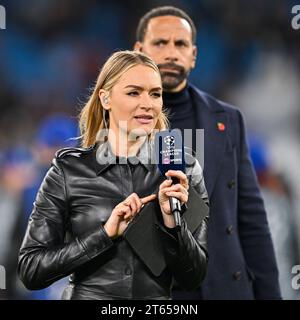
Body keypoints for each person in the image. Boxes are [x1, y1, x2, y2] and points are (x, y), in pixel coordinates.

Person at [18, 50, 209, 300]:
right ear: (105, 99)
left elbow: (194, 277)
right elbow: (31, 269)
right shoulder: (68, 171)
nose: (147, 103)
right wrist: (104, 234)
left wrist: (173, 224)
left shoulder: (182, 170)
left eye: (155, 94)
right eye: (133, 93)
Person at [134, 6, 281, 299]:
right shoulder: (109, 123)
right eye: (160, 43)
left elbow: (251, 221)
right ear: (139, 50)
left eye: (181, 44)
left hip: (224, 288)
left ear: (194, 55)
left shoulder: (228, 119)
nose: (171, 53)